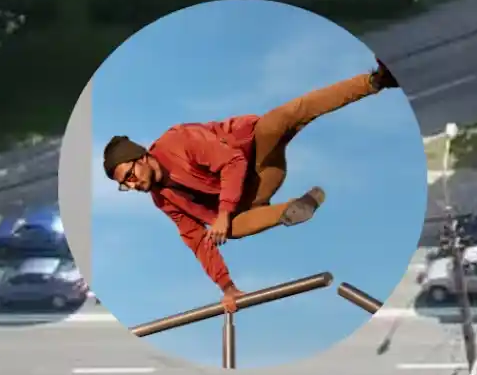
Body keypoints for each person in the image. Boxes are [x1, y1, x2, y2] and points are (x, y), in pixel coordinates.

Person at [102, 62, 400, 314]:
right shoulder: (163, 200)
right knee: (227, 229)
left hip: (257, 157)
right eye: (124, 185)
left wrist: (223, 212)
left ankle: (376, 81)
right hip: (251, 196)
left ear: (141, 157)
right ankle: (294, 208)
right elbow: (197, 241)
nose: (132, 185)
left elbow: (232, 161)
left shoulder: (179, 141)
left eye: (130, 175)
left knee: (279, 119)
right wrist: (227, 288)